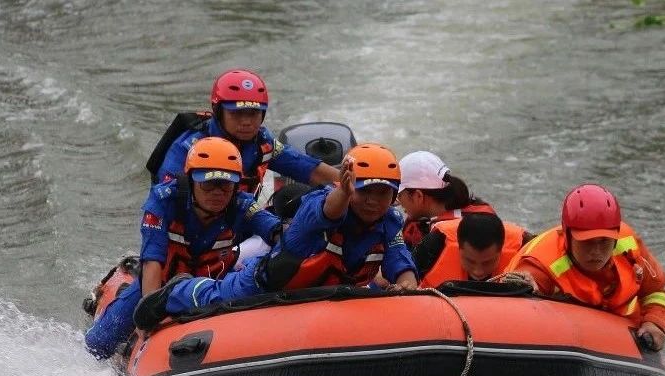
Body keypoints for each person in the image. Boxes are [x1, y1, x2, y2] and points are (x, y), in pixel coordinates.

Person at [134, 143, 418, 326]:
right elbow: (330, 211)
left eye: (383, 193)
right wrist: (343, 192)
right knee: (218, 297)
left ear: (394, 195)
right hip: (270, 284)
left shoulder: (390, 220)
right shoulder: (319, 203)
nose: (373, 201)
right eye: (365, 191)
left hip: (337, 298)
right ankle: (178, 290)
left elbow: (399, 259)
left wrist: (407, 284)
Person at [84, 137, 282, 358]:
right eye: (208, 184)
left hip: (211, 289)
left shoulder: (242, 205)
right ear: (191, 180)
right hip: (160, 285)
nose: (217, 193)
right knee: (98, 345)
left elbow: (277, 232)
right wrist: (150, 310)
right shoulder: (163, 200)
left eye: (225, 185)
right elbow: (152, 260)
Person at [499, 184, 665, 350]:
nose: (596, 252)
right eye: (587, 242)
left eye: (604, 241)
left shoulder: (629, 243)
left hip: (624, 331)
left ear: (615, 237)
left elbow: (656, 291)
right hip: (566, 335)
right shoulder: (541, 262)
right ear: (568, 236)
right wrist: (525, 288)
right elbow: (522, 292)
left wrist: (654, 322)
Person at [151, 69, 340, 192]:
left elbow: (312, 171)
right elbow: (163, 203)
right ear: (219, 112)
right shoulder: (186, 149)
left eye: (254, 114)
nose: (247, 122)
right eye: (237, 113)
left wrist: (356, 185)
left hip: (242, 224)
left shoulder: (263, 142)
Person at [395, 151, 496, 247]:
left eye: (399, 195)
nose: (398, 202)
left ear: (418, 196)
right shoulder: (483, 213)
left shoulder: (435, 238)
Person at [415, 212, 533, 288]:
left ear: (501, 250)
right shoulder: (435, 244)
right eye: (470, 261)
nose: (478, 272)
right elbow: (405, 279)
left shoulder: (525, 247)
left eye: (487, 262)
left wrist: (535, 285)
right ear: (458, 248)